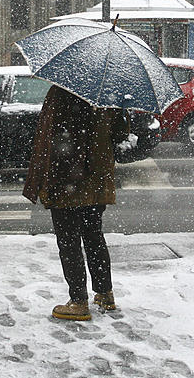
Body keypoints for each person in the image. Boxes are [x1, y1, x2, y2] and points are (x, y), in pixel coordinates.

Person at [23, 85, 130, 321]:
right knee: (93, 235)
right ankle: (104, 293)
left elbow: (49, 135)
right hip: (96, 177)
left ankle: (78, 300)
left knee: (69, 240)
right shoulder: (108, 91)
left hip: (66, 179)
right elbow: (121, 134)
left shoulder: (61, 91)